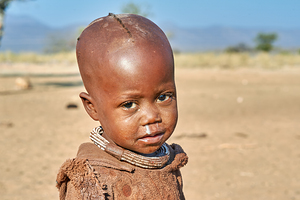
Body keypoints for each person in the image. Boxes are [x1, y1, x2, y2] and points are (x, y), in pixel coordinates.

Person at [56, 13, 188, 200]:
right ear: (92, 107)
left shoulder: (169, 160)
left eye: (163, 97)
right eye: (129, 104)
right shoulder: (89, 180)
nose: (152, 116)